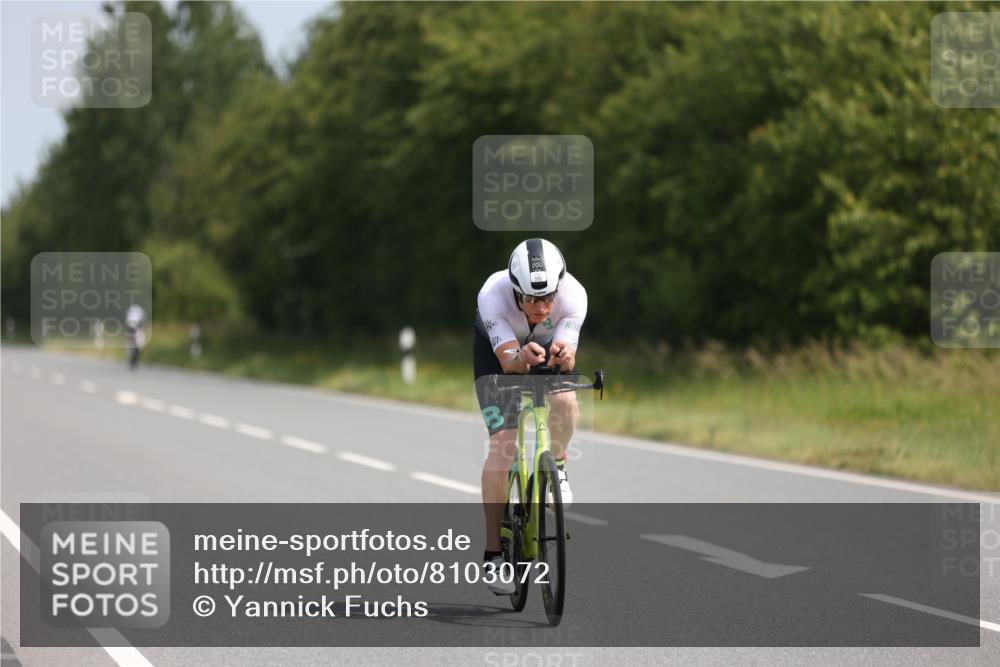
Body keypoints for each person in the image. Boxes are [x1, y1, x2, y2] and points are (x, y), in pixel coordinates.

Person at [473, 238, 587, 595]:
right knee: (503, 446)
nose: (542, 307)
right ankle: (493, 553)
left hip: (545, 350)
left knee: (565, 400)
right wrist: (521, 357)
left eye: (548, 297)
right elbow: (509, 364)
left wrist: (564, 356)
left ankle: (559, 465)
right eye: (532, 299)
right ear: (515, 292)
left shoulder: (574, 295)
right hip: (498, 358)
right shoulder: (492, 296)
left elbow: (568, 358)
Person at [125, 304, 147, 370]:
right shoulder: (137, 311)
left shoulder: (133, 311)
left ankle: (133, 361)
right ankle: (133, 361)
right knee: (135, 346)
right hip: (134, 329)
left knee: (135, 346)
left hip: (134, 328)